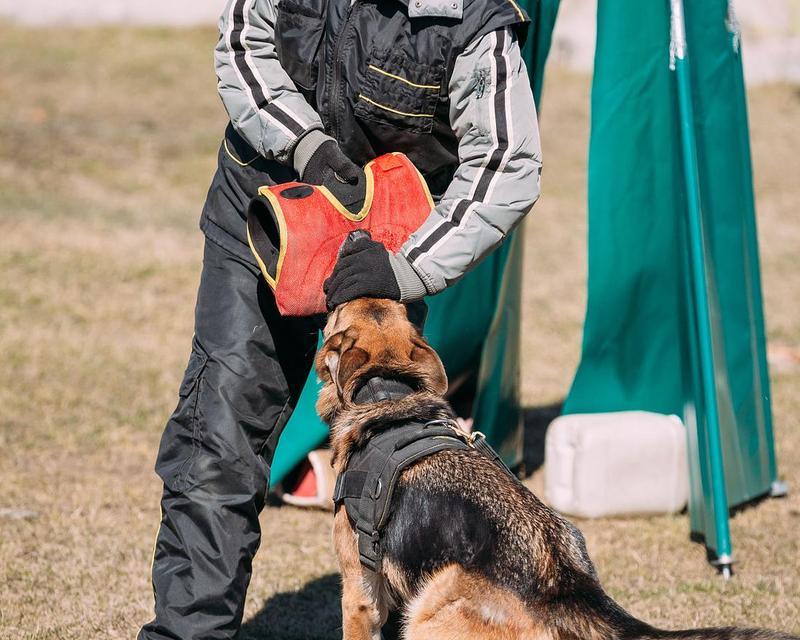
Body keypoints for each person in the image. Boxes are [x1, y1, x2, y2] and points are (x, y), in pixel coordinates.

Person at [139, 0, 542, 637]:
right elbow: (244, 45)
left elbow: (507, 165)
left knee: (395, 459)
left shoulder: (472, 18)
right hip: (263, 221)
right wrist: (303, 143)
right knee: (217, 437)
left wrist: (405, 271)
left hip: (384, 254)